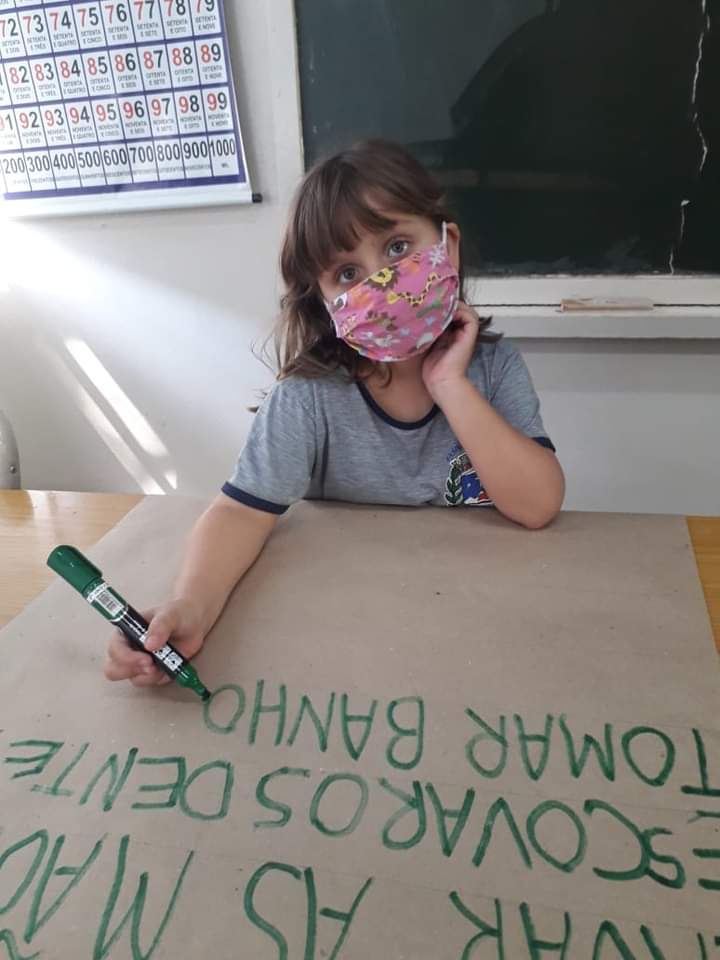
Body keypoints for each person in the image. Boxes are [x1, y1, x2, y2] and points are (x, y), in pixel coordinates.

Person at [105, 140, 565, 688]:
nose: (380, 282)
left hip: (475, 627)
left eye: (397, 247)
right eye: (347, 273)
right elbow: (241, 513)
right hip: (349, 636)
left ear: (449, 246)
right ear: (323, 302)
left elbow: (538, 505)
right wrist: (191, 605)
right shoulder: (309, 395)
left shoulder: (494, 369)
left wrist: (450, 385)